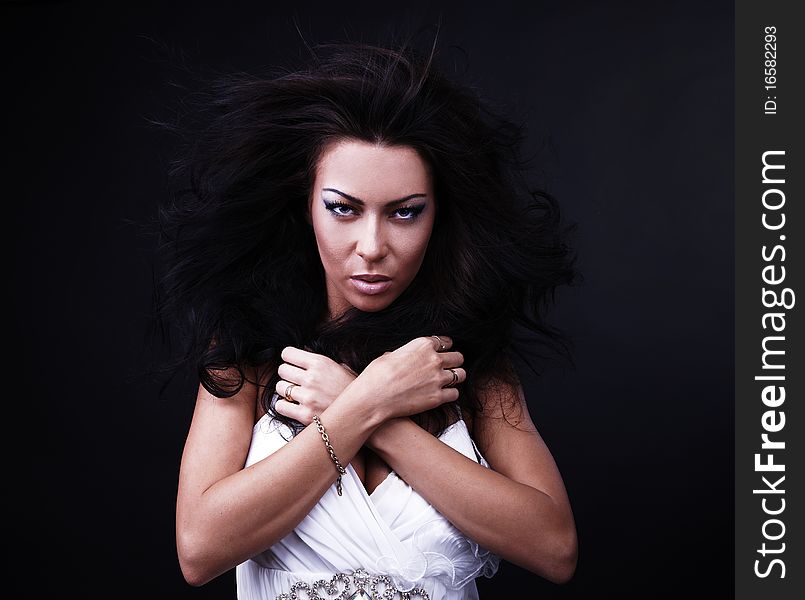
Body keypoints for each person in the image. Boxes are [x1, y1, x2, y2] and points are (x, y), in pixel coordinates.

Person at [153, 37, 578, 600]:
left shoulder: (466, 362)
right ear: (305, 206)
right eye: (343, 209)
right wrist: (367, 401)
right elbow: (199, 548)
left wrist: (378, 414)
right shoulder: (248, 351)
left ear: (438, 217)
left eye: (405, 213)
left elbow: (555, 548)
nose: (372, 246)